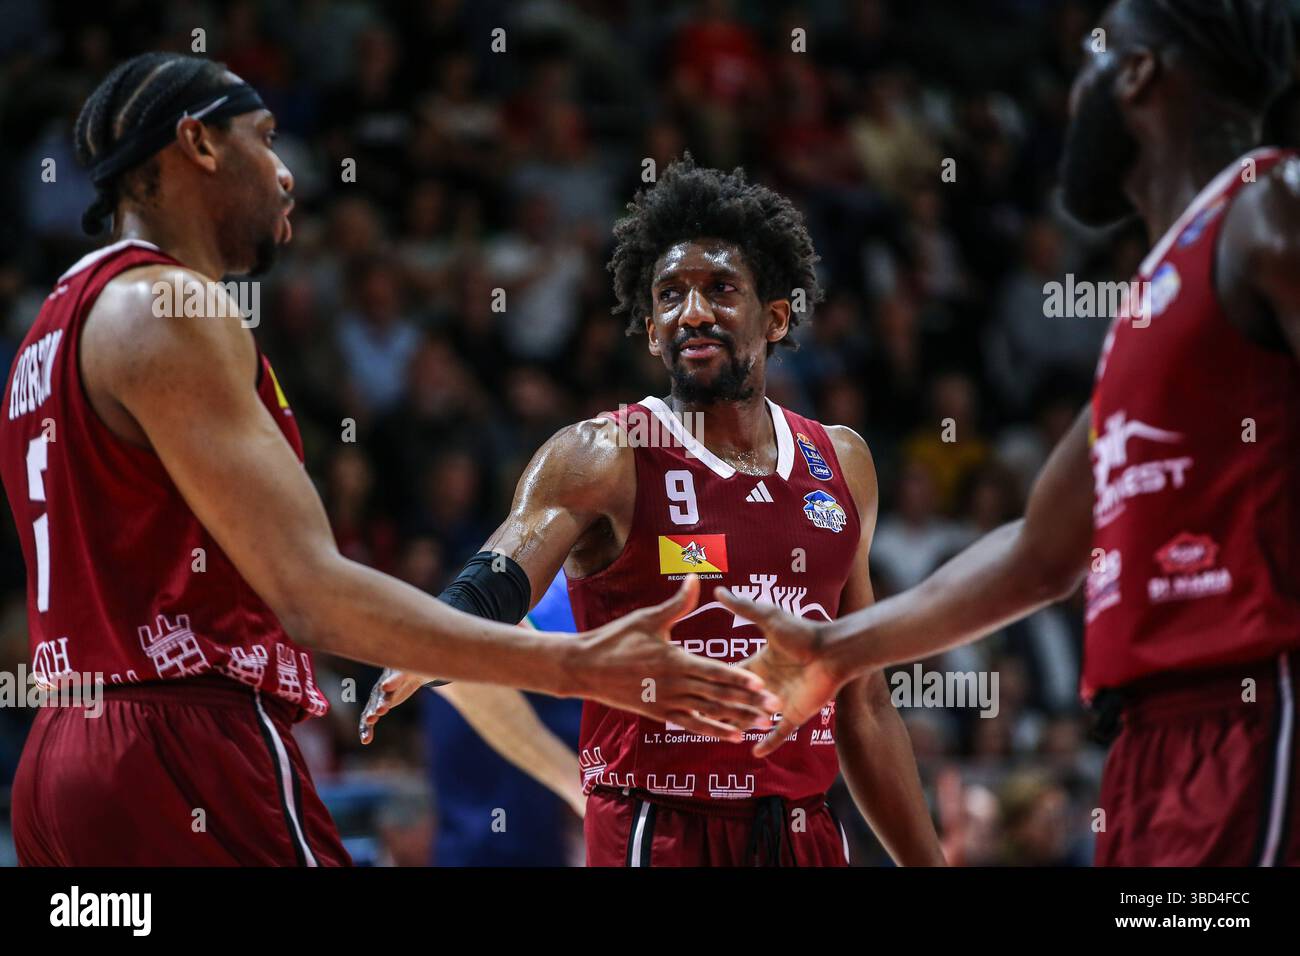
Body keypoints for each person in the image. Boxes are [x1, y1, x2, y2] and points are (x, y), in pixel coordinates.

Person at [0, 54, 773, 866]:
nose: (286, 173)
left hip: (62, 753)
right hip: (179, 745)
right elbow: (311, 594)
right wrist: (574, 665)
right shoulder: (171, 304)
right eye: (264, 140)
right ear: (196, 144)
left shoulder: (50, 331)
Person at [720, 0, 1300, 866]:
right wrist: (837, 650)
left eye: (1097, 54)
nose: (1076, 87)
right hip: (1150, 744)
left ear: (1140, 73)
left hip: (1256, 704)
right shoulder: (1153, 300)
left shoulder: (1271, 203)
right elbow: (1039, 552)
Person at [364, 157, 944, 867]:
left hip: (802, 830)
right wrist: (427, 644)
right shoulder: (604, 453)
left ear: (776, 317)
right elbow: (498, 577)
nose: (692, 311)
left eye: (721, 290)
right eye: (669, 295)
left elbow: (866, 703)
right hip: (659, 827)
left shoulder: (842, 462)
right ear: (649, 331)